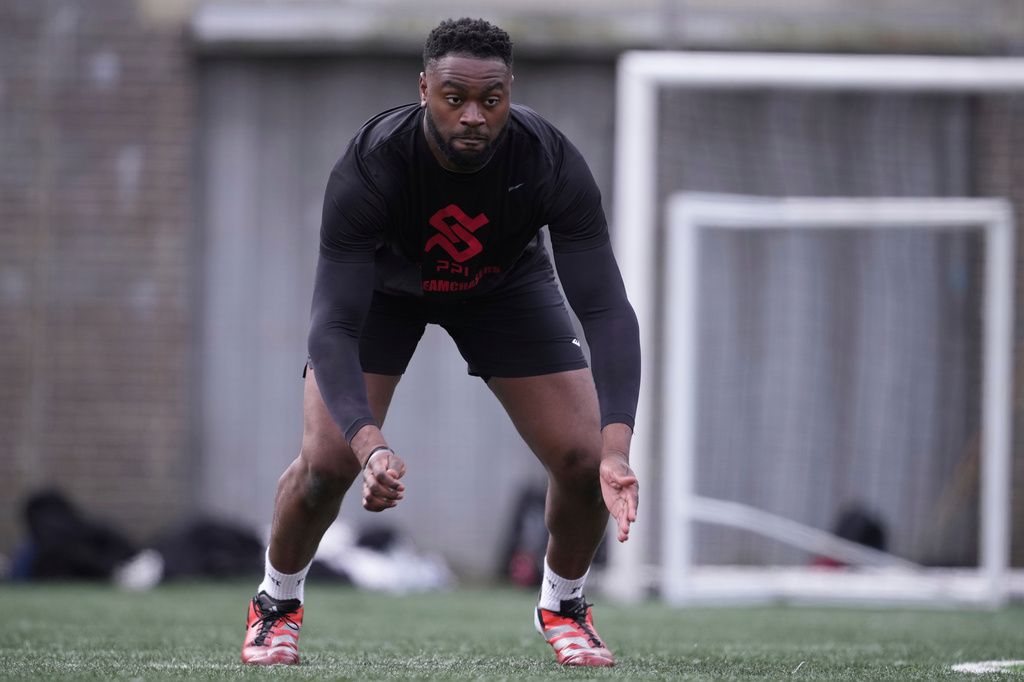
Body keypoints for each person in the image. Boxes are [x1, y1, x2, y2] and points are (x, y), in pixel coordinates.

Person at [241, 17, 641, 668]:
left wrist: (617, 450)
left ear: (511, 91)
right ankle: (276, 603)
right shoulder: (373, 163)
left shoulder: (548, 160)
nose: (474, 116)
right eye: (455, 98)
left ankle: (564, 605)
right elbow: (333, 324)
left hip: (501, 286)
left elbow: (606, 310)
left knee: (582, 458)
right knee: (328, 464)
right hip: (386, 292)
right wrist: (370, 446)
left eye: (492, 100)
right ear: (424, 88)